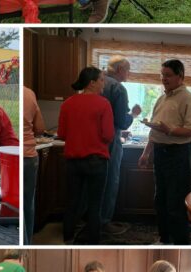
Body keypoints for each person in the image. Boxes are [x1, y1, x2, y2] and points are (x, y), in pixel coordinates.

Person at [138, 59, 191, 245]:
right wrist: (146, 153)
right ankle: (164, 240)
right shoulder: (162, 98)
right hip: (159, 152)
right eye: (162, 75)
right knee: (160, 200)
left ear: (180, 76)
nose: (163, 79)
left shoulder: (189, 99)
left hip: (178, 154)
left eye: (168, 75)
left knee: (176, 203)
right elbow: (156, 130)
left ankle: (181, 243)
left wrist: (170, 130)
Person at [59, 67, 114, 245]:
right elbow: (108, 135)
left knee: (72, 202)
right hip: (96, 162)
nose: (103, 83)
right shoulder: (103, 104)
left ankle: (67, 238)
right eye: (101, 80)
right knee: (94, 204)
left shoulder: (68, 103)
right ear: (92, 83)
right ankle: (91, 239)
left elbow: (62, 134)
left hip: (73, 162)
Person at [99, 56, 142, 235]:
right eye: (127, 69)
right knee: (110, 182)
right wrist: (133, 114)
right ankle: (104, 223)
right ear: (119, 70)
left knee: (95, 183)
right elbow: (122, 122)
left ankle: (92, 221)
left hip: (93, 141)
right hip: (110, 142)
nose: (129, 73)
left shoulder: (97, 82)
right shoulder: (118, 88)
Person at [23, 86, 45, 245]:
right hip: (28, 156)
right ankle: (27, 242)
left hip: (8, 156)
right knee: (27, 203)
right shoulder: (29, 93)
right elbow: (40, 128)